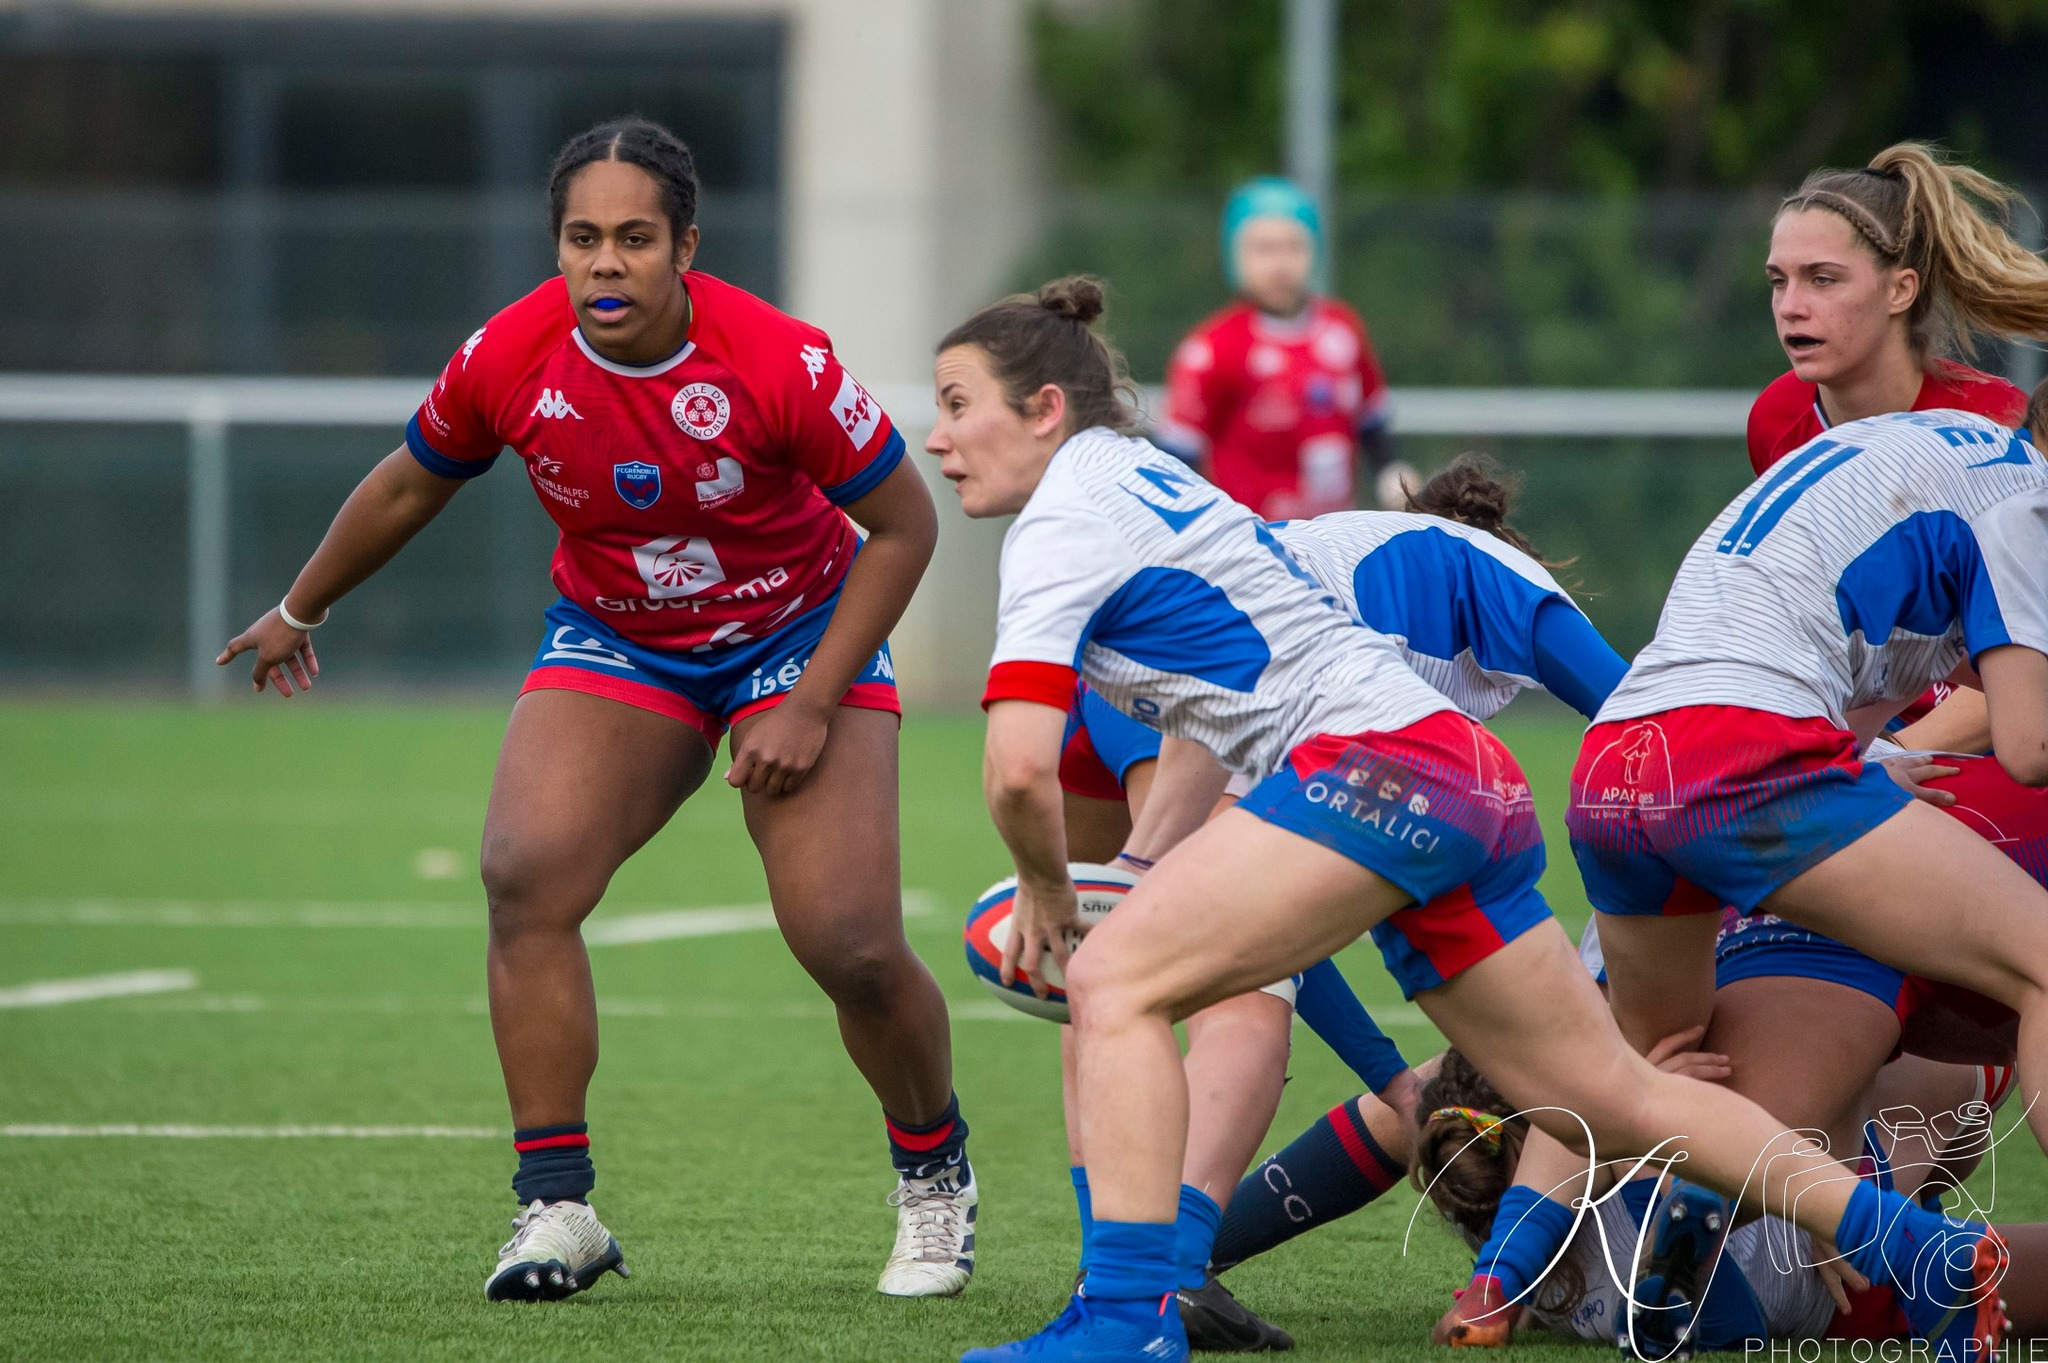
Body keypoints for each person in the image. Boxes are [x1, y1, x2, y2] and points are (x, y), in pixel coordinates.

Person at [930, 276, 2004, 1363]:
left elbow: (1018, 770)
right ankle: (1916, 1247)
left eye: (957, 402)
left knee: (1112, 978)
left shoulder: (1060, 520)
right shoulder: (1136, 472)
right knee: (1609, 1094)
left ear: (1044, 410)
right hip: (1459, 778)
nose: (936, 437)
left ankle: (1121, 1321)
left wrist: (1053, 899)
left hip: (1371, 766)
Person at [216, 118, 979, 1303]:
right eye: (582, 239)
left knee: (850, 941)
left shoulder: (778, 362)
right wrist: (298, 609)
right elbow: (412, 479)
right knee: (525, 871)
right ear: (557, 248)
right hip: (623, 637)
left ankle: (934, 1179)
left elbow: (906, 527)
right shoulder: (511, 355)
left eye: (634, 238)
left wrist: (813, 700)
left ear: (685, 248)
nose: (605, 262)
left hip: (796, 635)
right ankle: (556, 1206)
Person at [1154, 177, 1415, 519]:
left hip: (1335, 543)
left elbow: (1372, 425)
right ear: (1236, 254)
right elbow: (1173, 460)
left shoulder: (1344, 329)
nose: (1281, 265)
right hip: (1251, 550)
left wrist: (1393, 475)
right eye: (1264, 249)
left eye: (1294, 247)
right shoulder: (1211, 349)